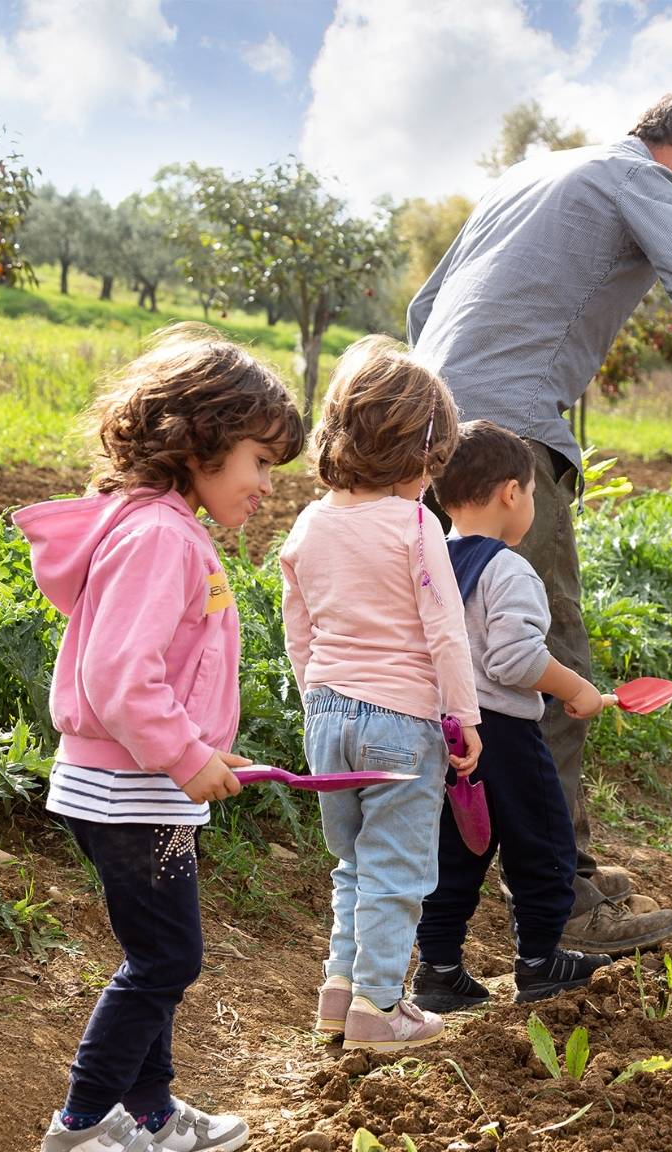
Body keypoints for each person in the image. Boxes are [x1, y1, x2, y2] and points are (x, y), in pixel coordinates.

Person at [409, 92, 672, 954]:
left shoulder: (530, 174)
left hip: (428, 429)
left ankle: (522, 870)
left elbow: (425, 308)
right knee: (542, 658)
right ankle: (566, 902)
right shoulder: (638, 178)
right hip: (507, 438)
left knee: (460, 658)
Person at [18, 323, 304, 1152]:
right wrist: (184, 755)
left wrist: (194, 752)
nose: (265, 486)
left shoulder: (169, 529)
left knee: (160, 953)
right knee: (167, 960)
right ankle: (78, 1130)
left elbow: (163, 666)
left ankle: (149, 1112)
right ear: (202, 442)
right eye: (259, 461)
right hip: (131, 789)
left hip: (138, 786)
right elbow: (118, 672)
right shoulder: (160, 537)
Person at [278, 336, 484, 1053]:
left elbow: (297, 624)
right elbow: (446, 632)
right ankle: (380, 1009)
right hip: (401, 723)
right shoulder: (416, 525)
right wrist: (464, 717)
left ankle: (339, 996)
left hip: (327, 717)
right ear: (419, 455)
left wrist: (318, 700)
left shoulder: (310, 523)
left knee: (354, 865)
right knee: (396, 871)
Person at [411, 420, 620, 1012]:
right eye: (530, 493)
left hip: (446, 735)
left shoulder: (429, 563)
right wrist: (574, 686)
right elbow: (516, 658)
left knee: (454, 854)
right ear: (511, 493)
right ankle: (540, 960)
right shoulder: (509, 569)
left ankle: (438, 971)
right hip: (503, 733)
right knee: (544, 843)